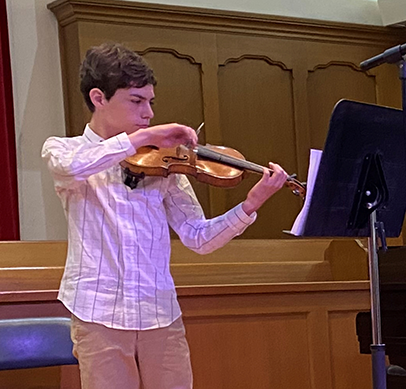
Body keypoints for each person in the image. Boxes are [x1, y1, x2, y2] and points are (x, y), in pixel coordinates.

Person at [41, 43, 288, 389]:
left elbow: (197, 237)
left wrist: (251, 203)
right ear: (99, 98)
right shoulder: (63, 150)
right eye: (136, 101)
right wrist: (141, 138)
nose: (148, 114)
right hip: (98, 315)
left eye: (150, 102)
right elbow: (73, 167)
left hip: (160, 314)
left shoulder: (164, 163)